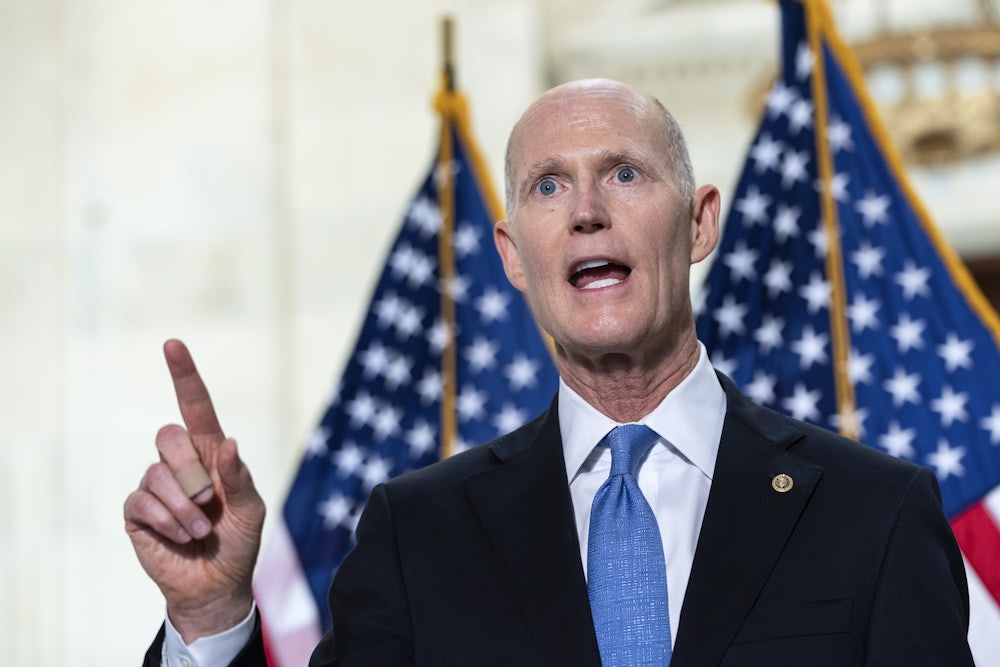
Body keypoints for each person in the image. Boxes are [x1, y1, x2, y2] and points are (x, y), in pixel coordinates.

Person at [125, 78, 974, 666]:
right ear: (513, 256)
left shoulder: (876, 513)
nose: (586, 212)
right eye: (547, 187)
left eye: (625, 172)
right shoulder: (416, 533)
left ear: (701, 223)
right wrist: (209, 616)